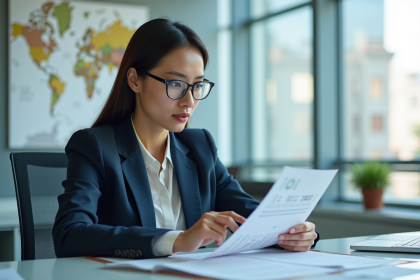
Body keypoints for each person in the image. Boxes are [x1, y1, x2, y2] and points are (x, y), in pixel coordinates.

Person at [53, 18, 319, 259]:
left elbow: (254, 217)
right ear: (135, 80)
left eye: (197, 85)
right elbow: (70, 234)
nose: (189, 101)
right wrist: (178, 240)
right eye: (176, 84)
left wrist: (296, 233)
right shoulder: (95, 147)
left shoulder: (199, 146)